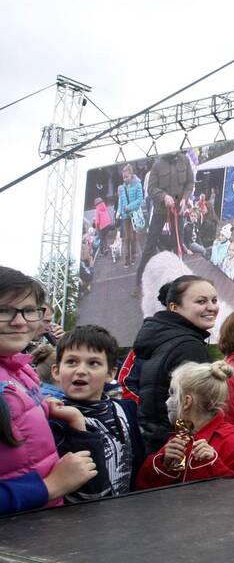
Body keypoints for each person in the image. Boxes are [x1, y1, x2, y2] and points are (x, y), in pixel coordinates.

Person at [0, 267, 97, 513]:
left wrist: (42, 411)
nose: (20, 321)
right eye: (4, 310)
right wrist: (50, 487)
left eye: (29, 310)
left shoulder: (19, 370)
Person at [51, 325, 144, 500]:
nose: (80, 370)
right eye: (71, 362)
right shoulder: (54, 420)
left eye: (93, 363)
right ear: (56, 371)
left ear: (110, 373)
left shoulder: (126, 409)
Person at [131, 276, 218, 450]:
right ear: (174, 308)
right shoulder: (189, 347)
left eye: (214, 300)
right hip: (179, 450)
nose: (211, 307)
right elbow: (193, 412)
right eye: (201, 301)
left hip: (160, 445)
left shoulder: (166, 339)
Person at [136, 360, 234, 488]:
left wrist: (213, 464)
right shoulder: (182, 435)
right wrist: (165, 463)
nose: (167, 402)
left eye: (172, 394)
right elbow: (145, 488)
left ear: (186, 401)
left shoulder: (228, 440)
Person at [134, 155, 194, 295]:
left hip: (178, 210)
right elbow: (151, 189)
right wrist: (164, 196)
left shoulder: (184, 160)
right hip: (160, 211)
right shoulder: (157, 164)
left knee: (177, 245)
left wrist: (185, 198)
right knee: (150, 245)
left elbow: (190, 183)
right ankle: (139, 282)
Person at [116, 164, 144, 268]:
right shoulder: (122, 187)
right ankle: (127, 259)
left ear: (131, 175)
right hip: (125, 216)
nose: (125, 179)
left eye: (126, 176)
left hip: (134, 215)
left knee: (133, 237)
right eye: (123, 177)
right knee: (126, 238)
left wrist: (130, 207)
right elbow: (121, 200)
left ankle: (133, 256)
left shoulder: (137, 185)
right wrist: (118, 211)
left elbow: (140, 199)